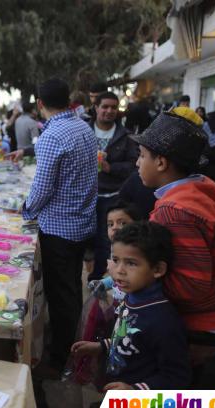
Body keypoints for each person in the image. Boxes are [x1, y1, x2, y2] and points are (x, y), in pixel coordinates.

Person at [134, 109, 215, 389]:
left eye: (142, 155)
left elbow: (191, 283)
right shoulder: (202, 188)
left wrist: (141, 288)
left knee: (177, 388)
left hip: (197, 320)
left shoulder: (175, 210)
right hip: (214, 313)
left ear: (161, 162)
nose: (137, 162)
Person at [22, 78, 98, 377]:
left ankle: (65, 356)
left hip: (59, 228)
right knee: (70, 289)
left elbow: (42, 187)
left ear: (40, 104)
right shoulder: (83, 127)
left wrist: (27, 209)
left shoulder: (53, 134)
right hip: (80, 222)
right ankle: (75, 343)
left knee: (60, 293)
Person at [72, 221, 190, 390]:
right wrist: (102, 346)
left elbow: (177, 376)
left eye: (131, 263)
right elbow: (129, 337)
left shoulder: (163, 321)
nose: (119, 270)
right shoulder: (131, 297)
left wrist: (134, 390)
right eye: (116, 260)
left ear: (157, 269)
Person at [88, 92, 138, 283]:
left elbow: (134, 166)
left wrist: (111, 168)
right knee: (85, 237)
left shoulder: (125, 136)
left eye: (113, 108)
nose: (109, 111)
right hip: (86, 194)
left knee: (106, 238)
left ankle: (98, 277)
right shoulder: (84, 131)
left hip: (112, 196)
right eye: (105, 107)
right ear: (96, 108)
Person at [87, 201, 143, 302]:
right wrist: (103, 283)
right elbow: (118, 275)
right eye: (110, 224)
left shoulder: (140, 250)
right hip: (119, 302)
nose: (115, 228)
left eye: (122, 223)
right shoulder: (114, 247)